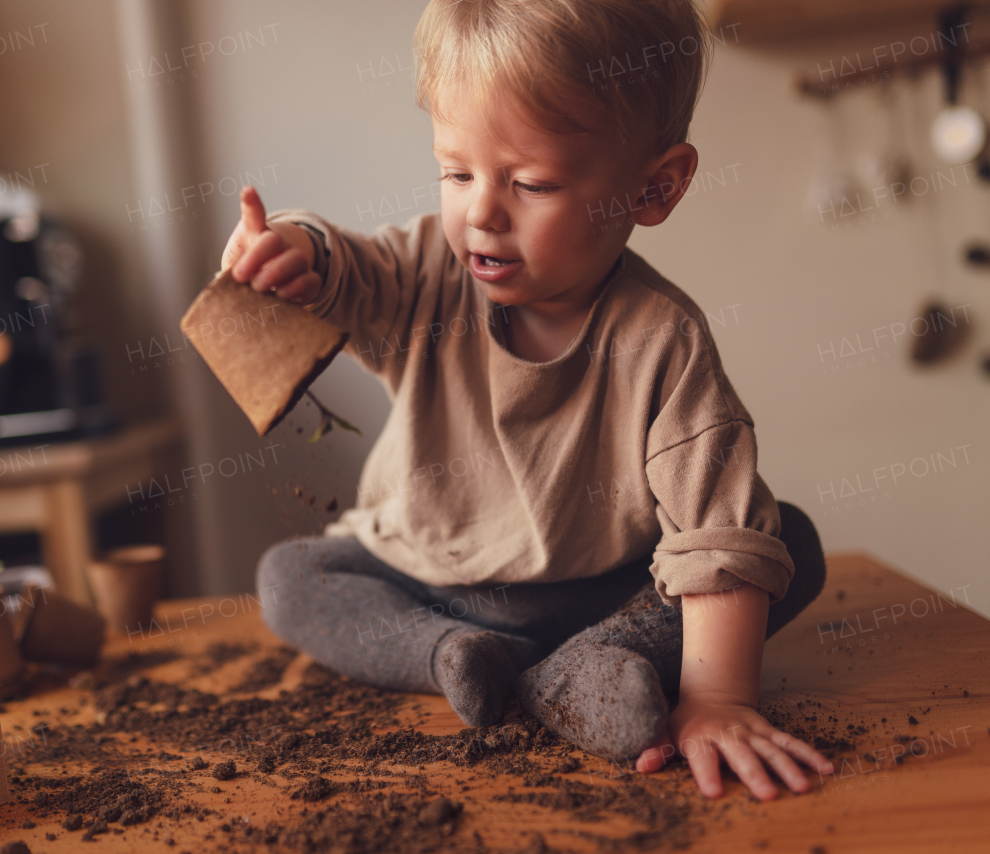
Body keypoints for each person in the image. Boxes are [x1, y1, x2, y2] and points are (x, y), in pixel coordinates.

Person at [221, 0, 833, 801]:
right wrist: (295, 249)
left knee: (792, 543)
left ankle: (589, 663)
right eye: (456, 171)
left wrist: (717, 701)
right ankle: (458, 657)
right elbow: (348, 268)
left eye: (532, 182)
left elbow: (716, 528)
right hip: (431, 580)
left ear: (654, 188)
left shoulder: (661, 340)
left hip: (599, 593)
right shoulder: (427, 274)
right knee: (290, 576)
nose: (481, 212)